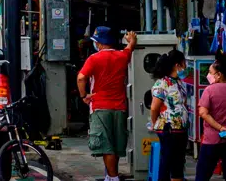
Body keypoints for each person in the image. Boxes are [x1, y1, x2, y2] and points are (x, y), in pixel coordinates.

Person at [77, 27, 137, 181]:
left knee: (106, 146)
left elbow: (81, 78)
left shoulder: (94, 59)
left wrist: (84, 96)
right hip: (120, 107)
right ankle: (110, 176)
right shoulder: (122, 56)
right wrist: (132, 41)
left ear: (100, 44)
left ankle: (113, 177)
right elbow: (129, 48)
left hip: (100, 107)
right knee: (116, 146)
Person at [149, 49, 190, 181]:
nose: (185, 67)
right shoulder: (162, 83)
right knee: (167, 162)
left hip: (181, 129)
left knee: (178, 163)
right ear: (177, 65)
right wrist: (155, 124)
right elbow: (154, 107)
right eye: (184, 63)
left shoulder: (178, 82)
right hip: (169, 129)